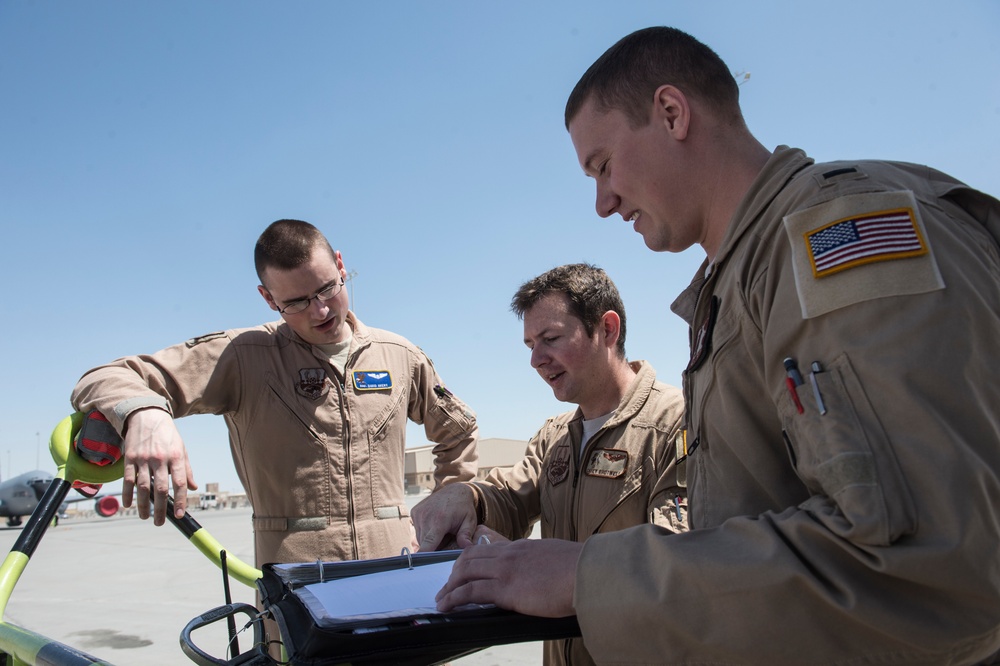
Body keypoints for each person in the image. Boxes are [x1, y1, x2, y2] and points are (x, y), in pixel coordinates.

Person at [435, 26, 1000, 665]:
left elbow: (939, 567)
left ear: (672, 114)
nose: (602, 201)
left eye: (603, 165)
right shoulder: (744, 279)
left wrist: (588, 576)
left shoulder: (836, 239)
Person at [71, 218, 479, 569]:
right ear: (268, 298)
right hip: (297, 591)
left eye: (327, 289)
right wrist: (145, 413)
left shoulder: (400, 356)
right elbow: (107, 376)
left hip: (397, 572)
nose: (320, 311)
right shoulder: (244, 356)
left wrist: (447, 506)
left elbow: (458, 432)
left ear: (340, 265)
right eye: (297, 302)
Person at [412, 262, 685, 666]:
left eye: (551, 339)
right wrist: (467, 498)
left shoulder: (676, 423)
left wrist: (577, 573)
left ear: (607, 329)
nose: (537, 359)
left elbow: (681, 560)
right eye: (530, 346)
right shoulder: (555, 436)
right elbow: (510, 495)